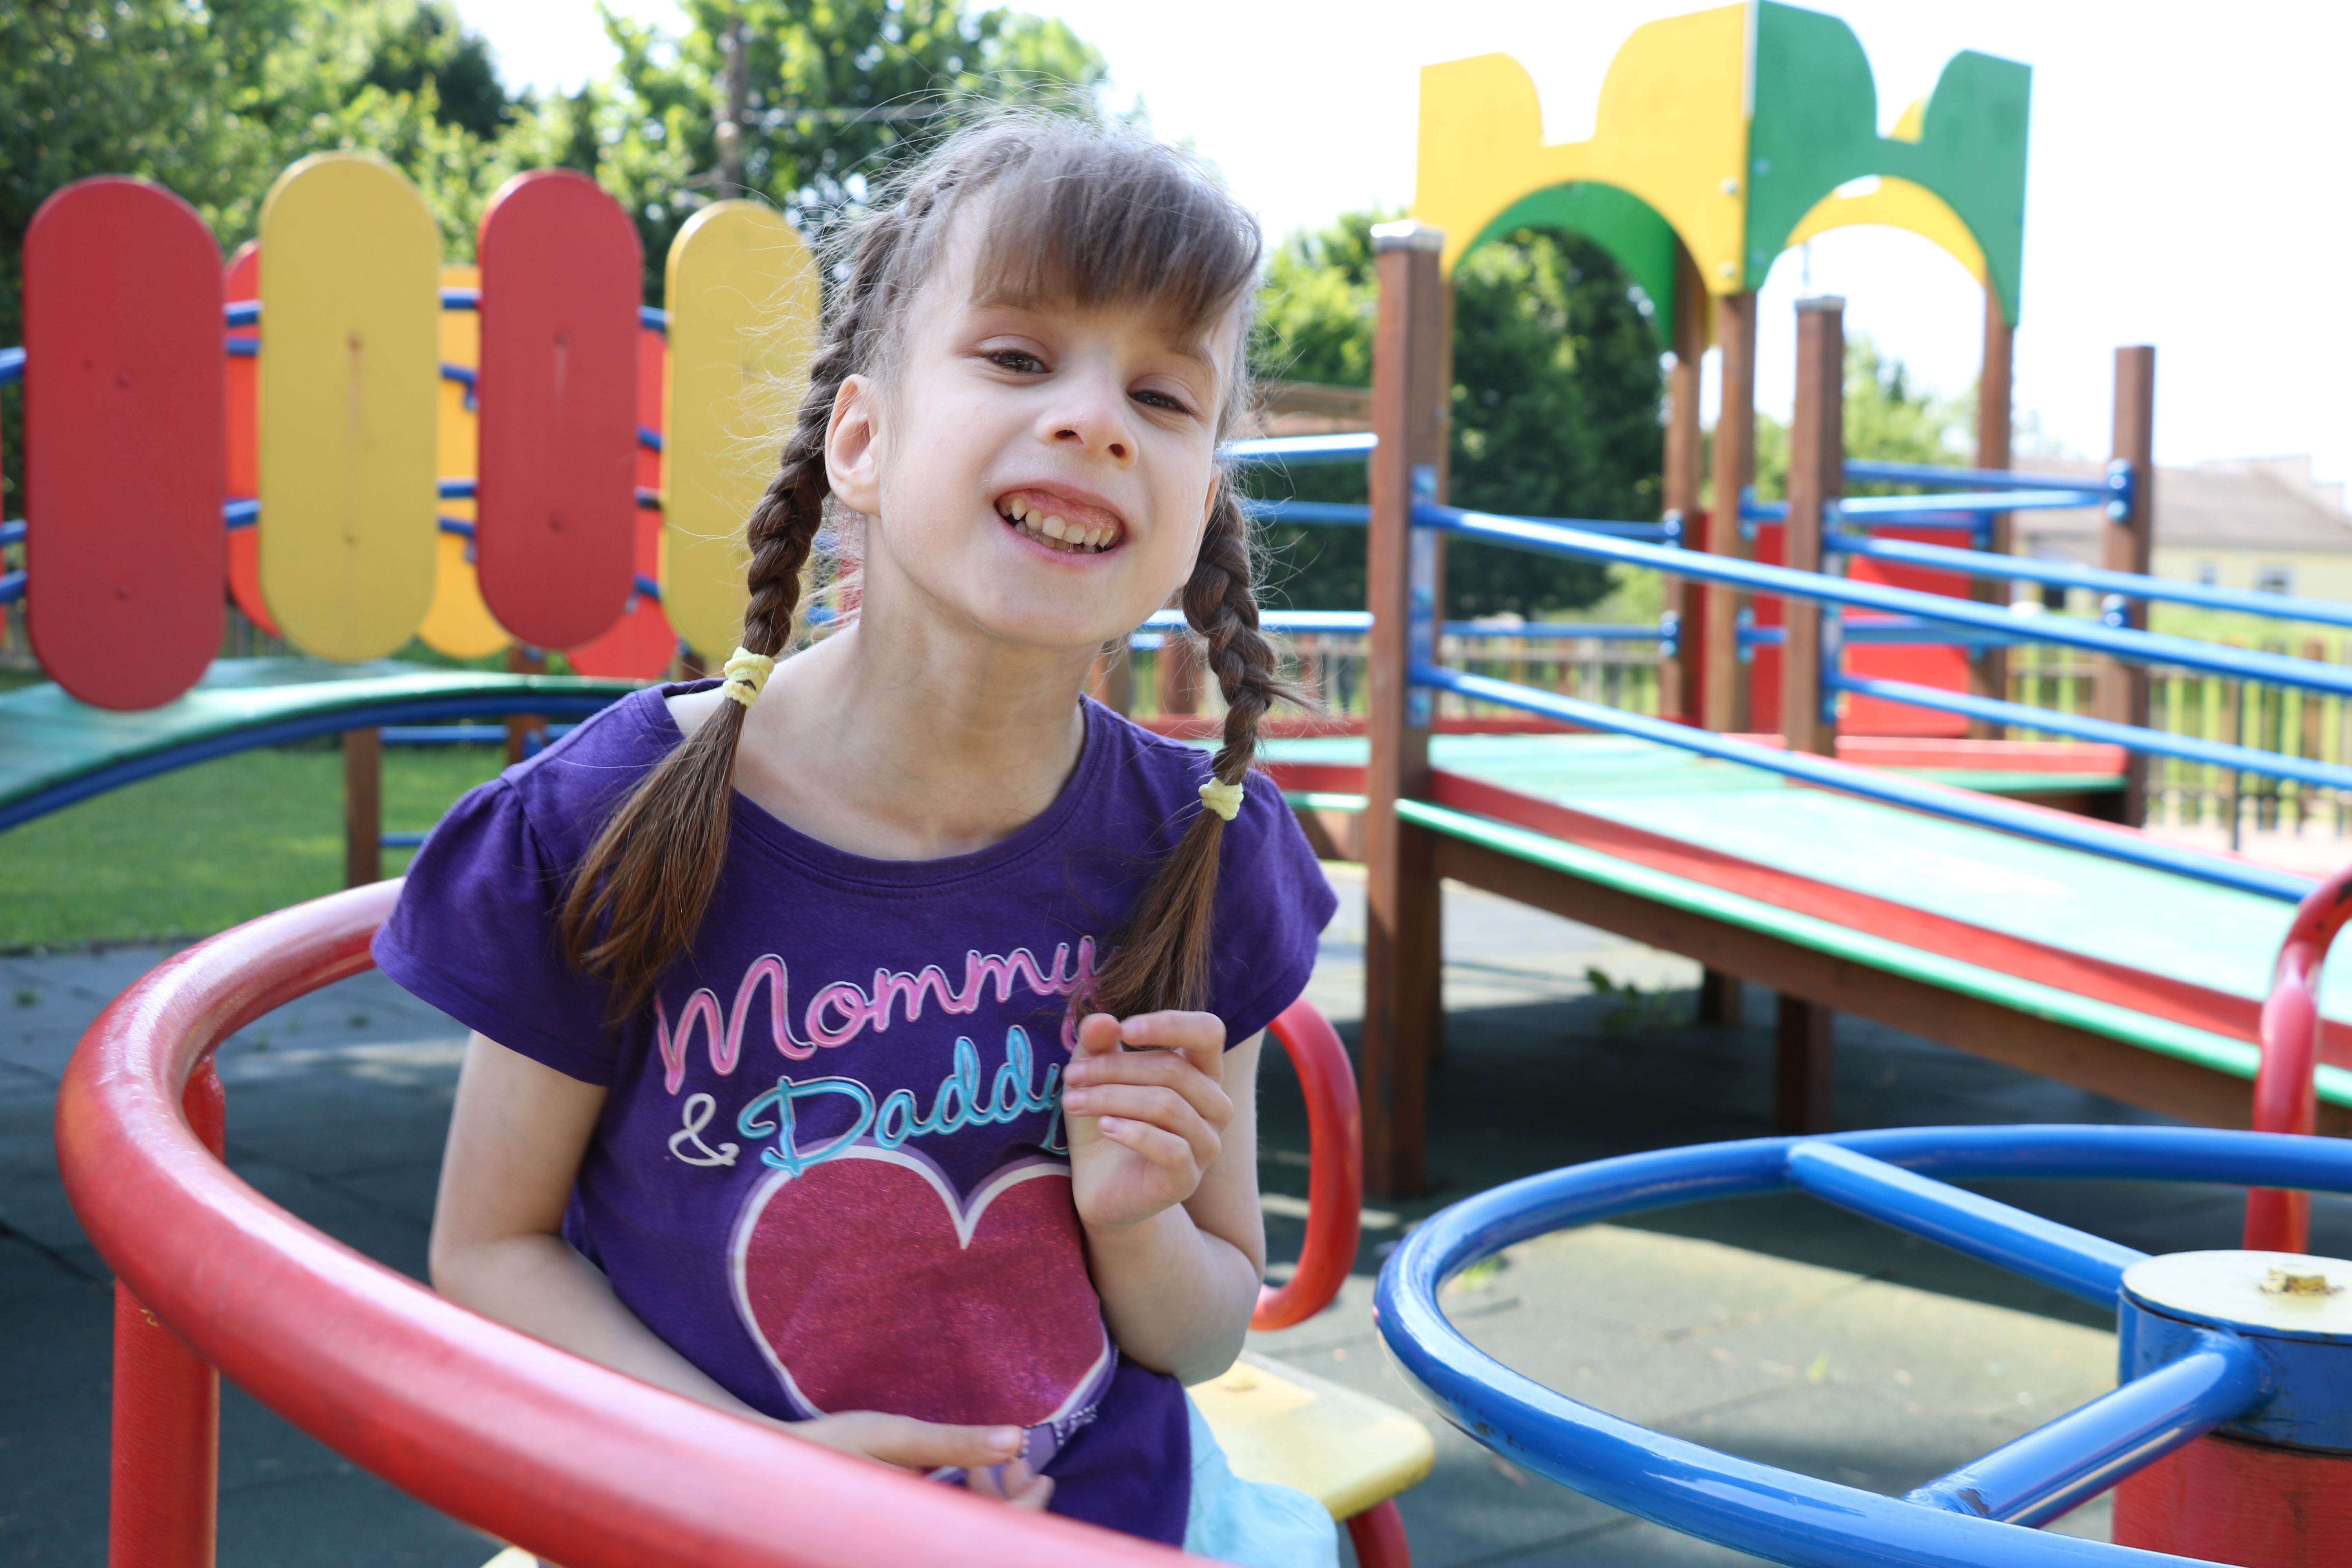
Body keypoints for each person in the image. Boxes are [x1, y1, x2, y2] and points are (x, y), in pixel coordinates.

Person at [375, 114, 1340, 1563]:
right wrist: (760, 1476)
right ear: (863, 441)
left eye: (1161, 394)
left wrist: (1138, 1222)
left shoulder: (1203, 846)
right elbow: (489, 1249)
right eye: (1018, 357)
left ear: (1198, 507)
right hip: (713, 1528)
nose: (1096, 419)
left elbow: (1204, 1334)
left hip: (1114, 1532)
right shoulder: (613, 817)